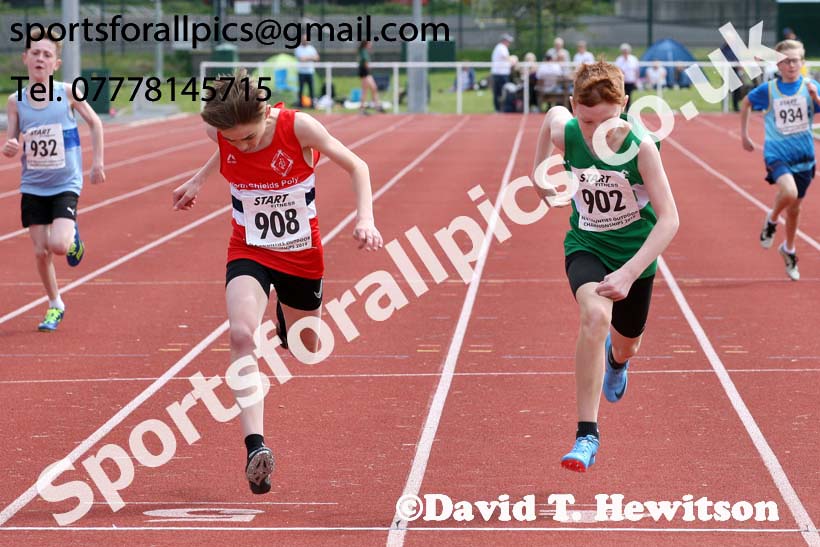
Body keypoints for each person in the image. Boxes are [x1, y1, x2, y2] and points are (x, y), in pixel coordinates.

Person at [172, 70, 383, 494]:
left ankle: (288, 324)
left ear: (266, 113)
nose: (243, 147)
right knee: (240, 335)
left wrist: (366, 219)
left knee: (305, 347)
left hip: (301, 253)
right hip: (248, 248)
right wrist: (198, 179)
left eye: (250, 137)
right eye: (233, 140)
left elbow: (357, 165)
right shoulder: (221, 133)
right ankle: (256, 448)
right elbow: (224, 146)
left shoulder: (299, 127)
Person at [531, 61, 679, 472]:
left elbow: (670, 219)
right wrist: (539, 177)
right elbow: (550, 117)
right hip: (587, 245)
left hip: (635, 258)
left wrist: (630, 272)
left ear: (625, 105)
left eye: (607, 120)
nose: (596, 130)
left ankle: (618, 361)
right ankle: (587, 435)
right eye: (587, 121)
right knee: (595, 316)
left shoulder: (642, 148)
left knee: (628, 343)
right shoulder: (567, 131)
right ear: (574, 107)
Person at [2, 28, 106, 331]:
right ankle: (55, 304)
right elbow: (12, 141)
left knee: (58, 245)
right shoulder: (15, 101)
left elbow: (95, 123)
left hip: (65, 183)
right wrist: (10, 146)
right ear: (25, 58)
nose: (40, 58)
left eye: (47, 54)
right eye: (35, 53)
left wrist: (97, 162)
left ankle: (72, 237)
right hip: (33, 185)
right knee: (40, 251)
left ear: (56, 64)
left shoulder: (68, 92)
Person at [741, 39, 820, 281]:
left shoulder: (810, 87)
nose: (791, 65)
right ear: (777, 64)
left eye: (795, 61)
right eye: (785, 61)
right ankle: (772, 219)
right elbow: (746, 102)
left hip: (804, 156)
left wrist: (816, 98)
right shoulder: (769, 90)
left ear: (802, 62)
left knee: (795, 208)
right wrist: (744, 135)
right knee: (789, 192)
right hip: (777, 154)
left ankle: (789, 249)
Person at [357, 41, 383, 114]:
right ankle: (364, 108)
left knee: (372, 89)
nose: (371, 45)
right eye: (369, 44)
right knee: (368, 90)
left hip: (365, 72)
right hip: (365, 72)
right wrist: (368, 68)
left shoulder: (363, 51)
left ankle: (376, 106)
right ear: (366, 44)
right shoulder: (363, 51)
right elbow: (365, 62)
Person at [294, 33, 319, 108]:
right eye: (304, 39)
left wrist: (307, 58)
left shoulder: (311, 48)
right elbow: (302, 59)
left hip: (310, 72)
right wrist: (311, 57)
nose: (305, 41)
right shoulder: (298, 49)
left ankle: (312, 104)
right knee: (301, 89)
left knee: (311, 89)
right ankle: (300, 103)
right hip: (301, 72)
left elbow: (317, 58)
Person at [491, 33, 514, 113]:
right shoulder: (501, 47)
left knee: (501, 92)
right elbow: (507, 58)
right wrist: (514, 60)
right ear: (505, 41)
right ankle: (499, 108)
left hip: (501, 74)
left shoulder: (501, 47)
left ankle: (500, 108)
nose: (509, 43)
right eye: (508, 41)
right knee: (501, 92)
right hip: (500, 74)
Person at [614, 43, 640, 108]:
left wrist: (636, 80)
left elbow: (636, 70)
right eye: (624, 51)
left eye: (626, 50)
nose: (625, 52)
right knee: (621, 95)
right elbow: (616, 70)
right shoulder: (619, 59)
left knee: (628, 95)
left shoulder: (633, 59)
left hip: (630, 80)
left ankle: (628, 109)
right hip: (622, 81)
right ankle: (621, 109)